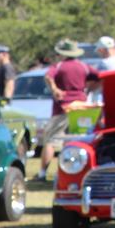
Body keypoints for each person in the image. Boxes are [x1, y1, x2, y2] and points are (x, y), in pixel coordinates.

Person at [37, 39, 97, 180]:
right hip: (81, 108)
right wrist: (88, 90)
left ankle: (42, 173)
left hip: (62, 108)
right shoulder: (84, 67)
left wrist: (55, 89)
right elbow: (99, 78)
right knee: (77, 141)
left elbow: (48, 77)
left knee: (51, 141)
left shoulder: (59, 66)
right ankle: (76, 172)